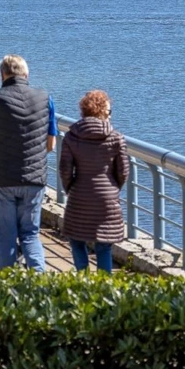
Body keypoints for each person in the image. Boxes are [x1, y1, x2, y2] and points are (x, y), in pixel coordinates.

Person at [0, 54, 56, 272]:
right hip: (34, 178)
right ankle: (39, 284)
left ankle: (9, 289)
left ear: (2, 75)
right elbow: (50, 145)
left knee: (7, 236)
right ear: (27, 74)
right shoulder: (45, 98)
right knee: (31, 234)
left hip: (3, 177)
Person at [58, 90, 128, 274]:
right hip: (106, 199)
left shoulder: (72, 136)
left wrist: (71, 189)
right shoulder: (116, 138)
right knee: (104, 245)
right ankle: (104, 285)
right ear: (104, 112)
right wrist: (113, 189)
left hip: (79, 195)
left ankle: (83, 278)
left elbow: (65, 169)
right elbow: (123, 171)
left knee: (76, 239)